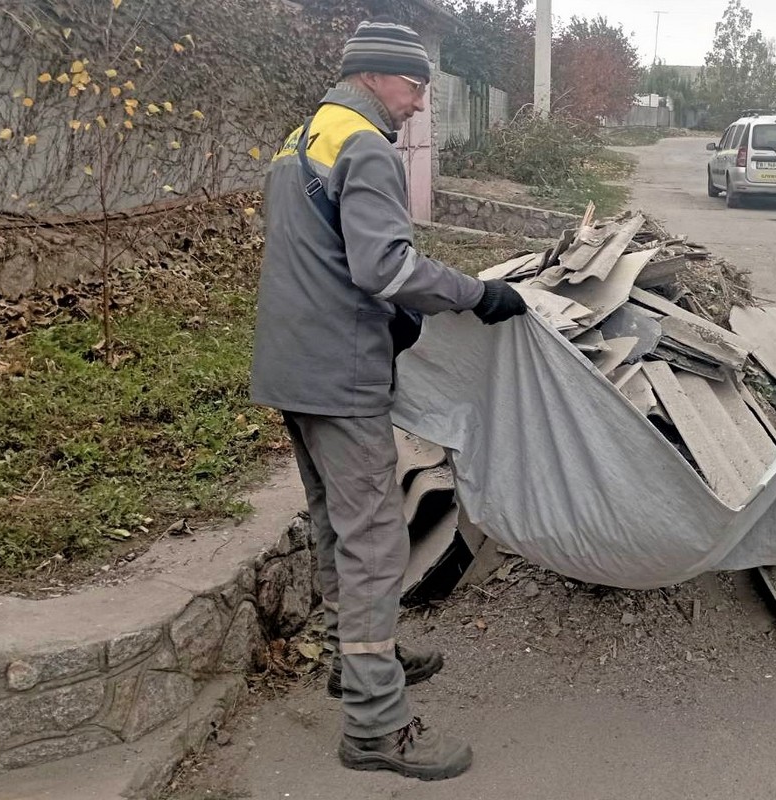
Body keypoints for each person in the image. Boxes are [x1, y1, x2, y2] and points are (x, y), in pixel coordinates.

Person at [250, 18, 526, 779]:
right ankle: (376, 725)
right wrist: (477, 293)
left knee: (340, 529)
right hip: (339, 375)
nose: (420, 103)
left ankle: (357, 664)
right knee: (375, 544)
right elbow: (384, 266)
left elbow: (319, 253)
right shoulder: (366, 146)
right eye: (414, 85)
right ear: (375, 74)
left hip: (290, 367)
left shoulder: (303, 137)